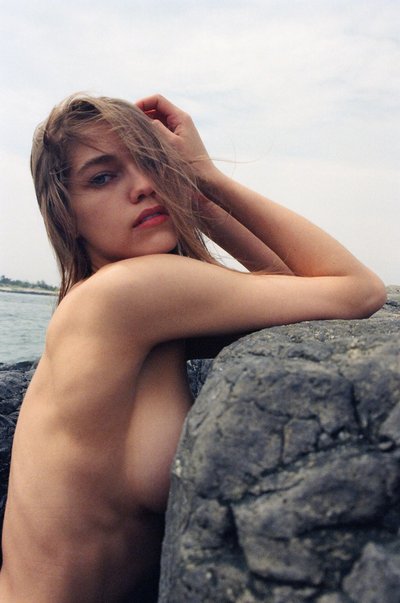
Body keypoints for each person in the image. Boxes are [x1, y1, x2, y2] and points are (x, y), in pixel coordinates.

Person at [0, 93, 386, 602]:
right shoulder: (128, 293)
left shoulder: (136, 312)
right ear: (65, 213)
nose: (144, 186)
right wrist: (208, 178)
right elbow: (357, 290)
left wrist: (194, 198)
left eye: (152, 164)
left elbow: (296, 288)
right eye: (103, 177)